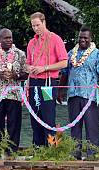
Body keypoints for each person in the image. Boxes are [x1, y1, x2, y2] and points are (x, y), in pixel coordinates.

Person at [58, 26, 99, 159]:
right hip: (73, 95)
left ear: (90, 38)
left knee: (91, 126)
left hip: (90, 96)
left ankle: (92, 155)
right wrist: (60, 90)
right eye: (80, 37)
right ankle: (75, 154)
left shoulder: (98, 54)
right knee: (74, 126)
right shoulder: (70, 54)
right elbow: (64, 73)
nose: (82, 40)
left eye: (85, 37)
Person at [25, 12, 68, 146]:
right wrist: (29, 68)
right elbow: (26, 63)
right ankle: (37, 148)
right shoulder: (31, 42)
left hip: (48, 82)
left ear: (44, 23)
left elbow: (64, 62)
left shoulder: (55, 39)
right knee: (34, 115)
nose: (36, 28)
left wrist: (44, 68)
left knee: (48, 116)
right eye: (33, 26)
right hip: (33, 82)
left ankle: (51, 150)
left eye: (38, 25)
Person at [0, 28, 28, 152]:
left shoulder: (20, 54)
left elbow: (26, 74)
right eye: (6, 38)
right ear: (0, 40)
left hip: (15, 95)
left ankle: (12, 152)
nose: (9, 40)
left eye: (10, 38)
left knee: (14, 125)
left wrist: (16, 75)